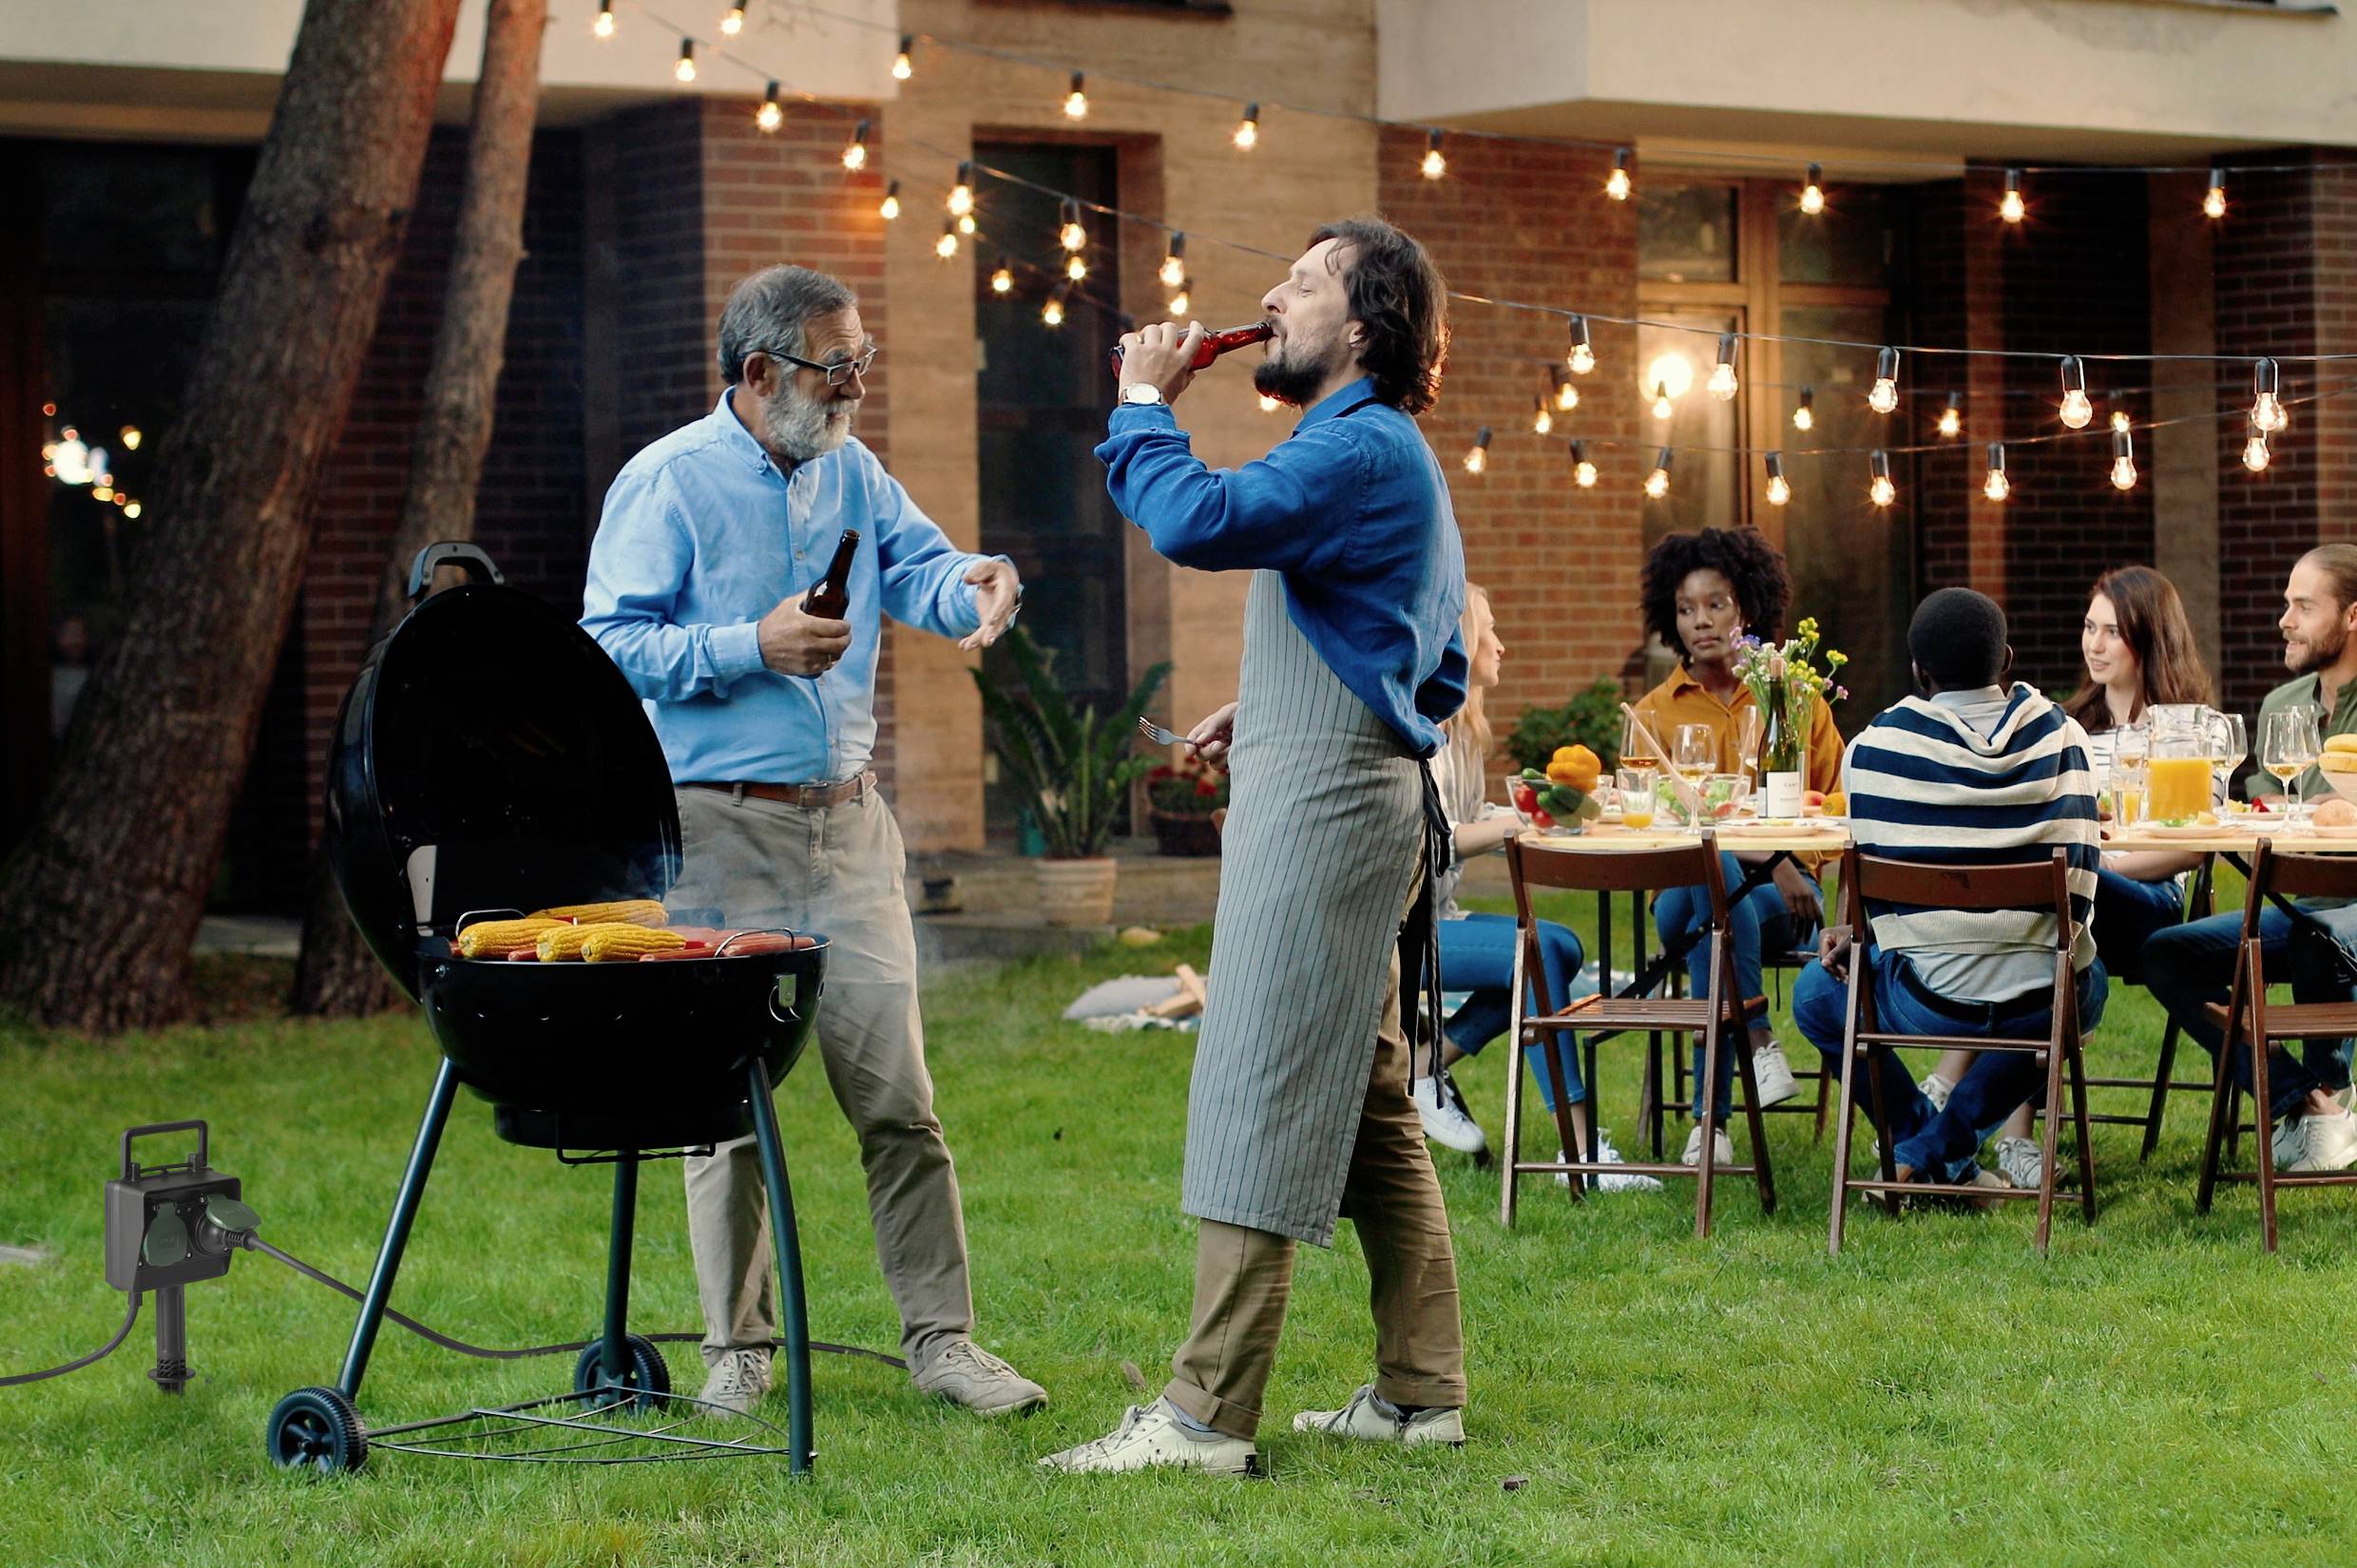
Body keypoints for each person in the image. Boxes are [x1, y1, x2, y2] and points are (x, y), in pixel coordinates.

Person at [1041, 217, 1467, 1477]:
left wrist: (1138, 398)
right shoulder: (1366, 448)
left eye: (1305, 281)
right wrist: (1275, 705)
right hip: (1339, 783)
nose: (1271, 295)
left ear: (1369, 326)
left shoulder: (1361, 442)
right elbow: (1409, 642)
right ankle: (1419, 1391)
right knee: (1375, 1104)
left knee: (1262, 1082)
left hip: (1327, 816)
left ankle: (1204, 1415)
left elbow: (1200, 520)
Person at [581, 264, 1045, 1420]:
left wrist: (977, 582)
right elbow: (606, 645)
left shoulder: (855, 473)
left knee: (897, 1101)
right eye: (834, 367)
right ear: (756, 374)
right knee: (724, 1110)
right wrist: (751, 643)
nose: (853, 388)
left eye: (860, 362)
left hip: (847, 828)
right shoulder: (666, 483)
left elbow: (926, 573)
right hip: (717, 827)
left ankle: (942, 1343)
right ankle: (737, 1351)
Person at [1792, 588, 2106, 1193]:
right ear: (2006, 658)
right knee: (2082, 986)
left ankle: (1925, 1149)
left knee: (1814, 997)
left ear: (1918, 672)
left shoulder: (1874, 750)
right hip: (2045, 996)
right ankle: (1941, 1152)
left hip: (1925, 996)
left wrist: (1852, 933)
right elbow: (2082, 894)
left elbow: (1874, 902)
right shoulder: (2066, 739)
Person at [1926, 565, 2213, 1190]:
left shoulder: (2192, 727)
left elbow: (2193, 848)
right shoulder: (2066, 723)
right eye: (2090, 627)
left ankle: (1950, 1084)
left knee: (2047, 886)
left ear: (2151, 639)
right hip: (2069, 908)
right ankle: (2015, 1140)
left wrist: (2094, 863)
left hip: (2148, 907)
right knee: (2043, 949)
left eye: (2113, 631)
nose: (2095, 644)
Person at [1415, 582, 1658, 1191]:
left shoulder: (1466, 734)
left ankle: (1422, 1067)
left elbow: (1468, 819)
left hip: (1441, 914)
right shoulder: (1425, 734)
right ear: (1462, 642)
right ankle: (1580, 1156)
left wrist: (1535, 807)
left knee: (1561, 947)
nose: (1502, 644)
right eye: (1490, 630)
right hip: (1401, 929)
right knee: (1539, 951)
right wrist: (1521, 819)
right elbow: (1438, 840)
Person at [1631, 527, 1843, 1168]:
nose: (1701, 621)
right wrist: (1774, 860)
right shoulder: (1653, 713)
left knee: (1717, 909)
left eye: (1715, 604)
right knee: (1706, 873)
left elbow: (1835, 805)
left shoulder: (1795, 697)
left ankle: (1711, 1125)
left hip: (1784, 909)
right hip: (1686, 894)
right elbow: (1654, 824)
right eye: (1687, 609)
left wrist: (1792, 861)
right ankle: (1757, 1034)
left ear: (1746, 608)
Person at [2143, 545, 2357, 1174]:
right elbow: (2265, 789)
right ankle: (2307, 1100)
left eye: (2303, 606)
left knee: (2320, 938)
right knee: (2167, 952)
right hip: (2297, 908)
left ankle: (2332, 1092)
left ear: (2351, 618)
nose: (2284, 620)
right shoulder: (2282, 705)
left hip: (2344, 920)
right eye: (2286, 604)